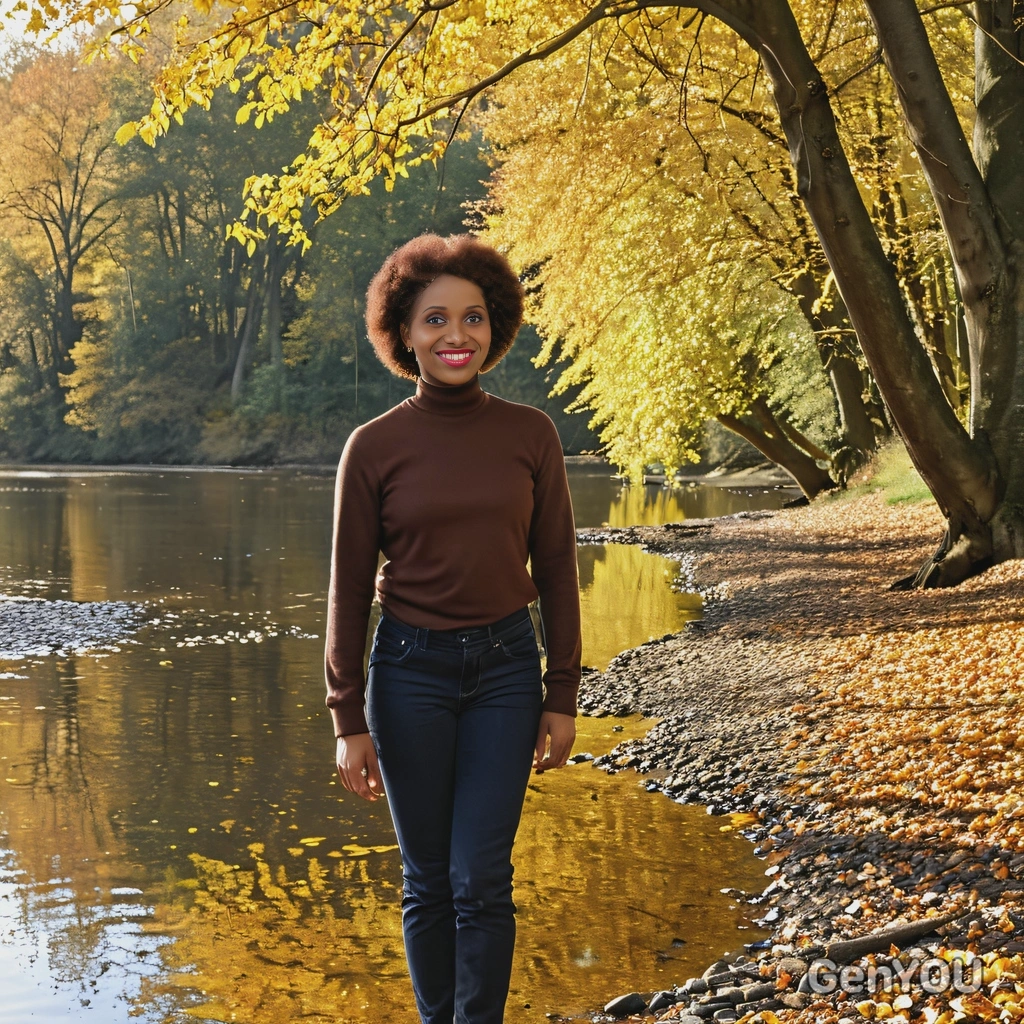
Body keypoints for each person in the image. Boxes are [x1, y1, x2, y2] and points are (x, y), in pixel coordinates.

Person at [324, 233, 582, 1024]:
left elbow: (559, 569)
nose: (455, 336)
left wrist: (561, 693)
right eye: (435, 319)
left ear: (494, 327)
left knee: (482, 876)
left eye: (472, 318)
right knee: (428, 879)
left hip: (507, 669)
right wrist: (348, 717)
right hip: (409, 674)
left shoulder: (531, 435)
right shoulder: (372, 449)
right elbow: (345, 591)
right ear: (404, 331)